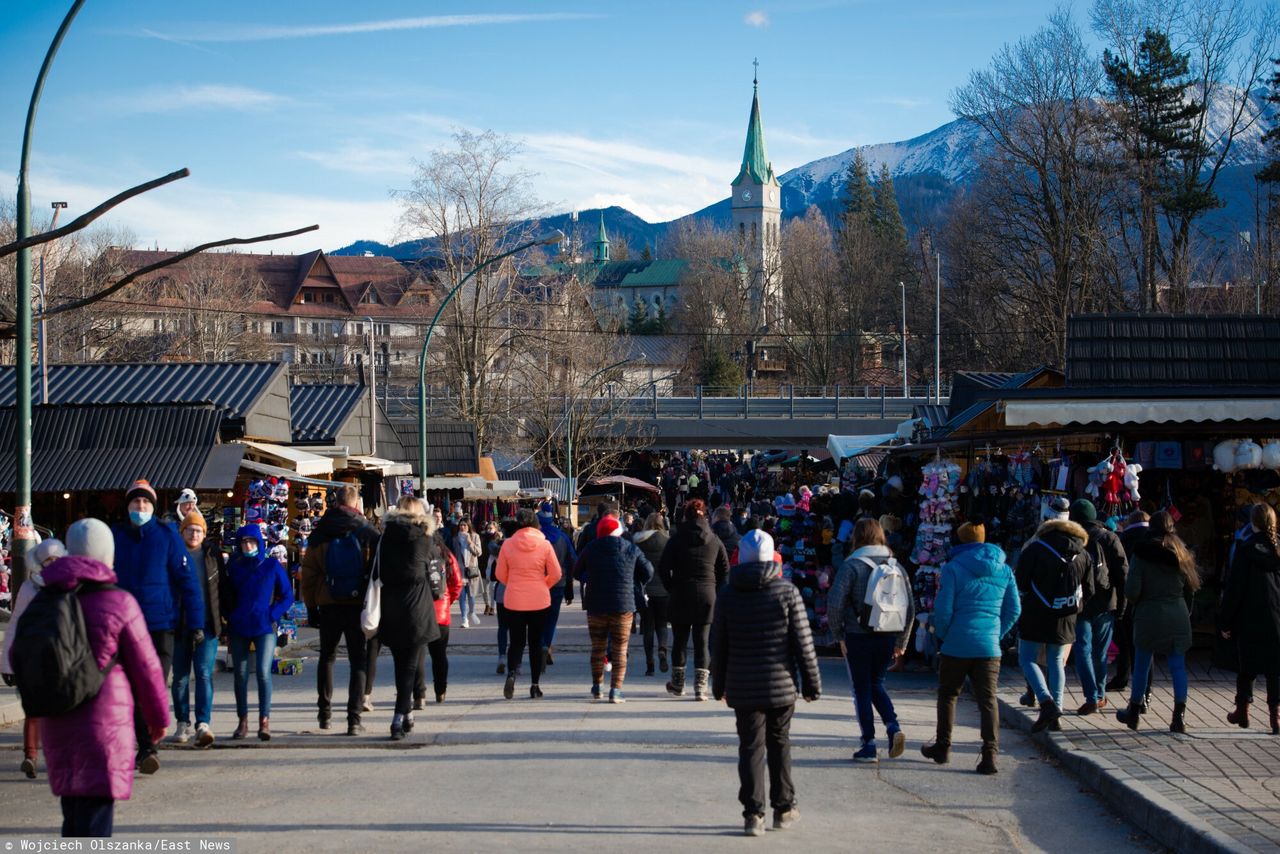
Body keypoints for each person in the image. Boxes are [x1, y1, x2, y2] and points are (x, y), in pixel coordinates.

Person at [38, 519, 169, 837]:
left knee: (71, 814)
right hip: (106, 725)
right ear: (109, 555)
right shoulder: (119, 603)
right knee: (96, 819)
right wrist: (158, 719)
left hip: (58, 720)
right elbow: (147, 669)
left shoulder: (46, 599)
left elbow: (22, 653)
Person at [710, 530, 821, 837]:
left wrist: (718, 685)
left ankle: (753, 814)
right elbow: (803, 643)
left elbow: (718, 645)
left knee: (750, 747)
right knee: (779, 743)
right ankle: (783, 808)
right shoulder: (787, 592)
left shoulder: (728, 595)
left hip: (742, 685)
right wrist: (811, 684)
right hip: (781, 686)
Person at [111, 478, 203, 774]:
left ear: (152, 506)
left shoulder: (167, 536)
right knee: (132, 691)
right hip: (125, 627)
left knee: (153, 687)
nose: (140, 507)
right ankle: (147, 748)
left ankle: (149, 740)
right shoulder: (115, 537)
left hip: (160, 625)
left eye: (145, 502)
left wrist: (197, 622)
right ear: (127, 506)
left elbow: (188, 581)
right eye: (135, 502)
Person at [922, 520, 1020, 774]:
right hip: (989, 647)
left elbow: (943, 609)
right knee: (987, 700)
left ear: (961, 540)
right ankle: (990, 754)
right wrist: (996, 634)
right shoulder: (1004, 569)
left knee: (948, 694)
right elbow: (1014, 610)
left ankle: (943, 747)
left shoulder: (953, 568)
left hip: (956, 643)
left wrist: (944, 635)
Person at [827, 518, 915, 763]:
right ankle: (893, 726)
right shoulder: (896, 566)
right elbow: (910, 606)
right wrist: (902, 641)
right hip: (887, 634)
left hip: (858, 635)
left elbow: (835, 603)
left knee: (862, 689)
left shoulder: (852, 565)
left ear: (856, 537)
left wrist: (838, 635)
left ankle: (869, 743)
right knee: (876, 683)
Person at [301, 484, 378, 735]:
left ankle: (324, 714)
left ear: (335, 503)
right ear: (356, 503)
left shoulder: (322, 530)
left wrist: (311, 607)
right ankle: (354, 719)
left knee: (327, 658)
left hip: (328, 602)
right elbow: (377, 572)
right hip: (357, 605)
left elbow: (309, 574)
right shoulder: (367, 531)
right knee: (358, 660)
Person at [1116, 511, 1199, 732]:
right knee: (1177, 666)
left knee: (1142, 664)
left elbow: (1132, 591)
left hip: (1149, 614)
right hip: (1177, 613)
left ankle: (1134, 711)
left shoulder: (1141, 554)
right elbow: (1191, 590)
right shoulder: (1182, 553)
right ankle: (1179, 716)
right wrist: (1185, 611)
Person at [1015, 508, 1094, 732]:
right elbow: (1090, 589)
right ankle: (1056, 712)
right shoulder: (1083, 554)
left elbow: (1021, 582)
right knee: (1057, 662)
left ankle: (1046, 701)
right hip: (1066, 615)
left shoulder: (1035, 549)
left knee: (1027, 659)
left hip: (1036, 614)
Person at [376, 497, 443, 740]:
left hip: (391, 605)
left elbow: (381, 570)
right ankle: (398, 716)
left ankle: (407, 714)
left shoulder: (386, 537)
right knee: (411, 665)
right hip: (417, 605)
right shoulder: (424, 538)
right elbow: (431, 569)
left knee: (400, 664)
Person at [1, 537, 67, 779]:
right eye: (47, 560)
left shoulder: (70, 586)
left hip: (62, 658)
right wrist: (7, 664)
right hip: (34, 658)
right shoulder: (29, 588)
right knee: (34, 709)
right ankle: (30, 755)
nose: (52, 564)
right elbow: (15, 624)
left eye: (56, 559)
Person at [225, 524, 293, 740]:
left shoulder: (271, 565)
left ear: (259, 543)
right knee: (240, 674)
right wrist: (230, 616)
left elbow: (287, 595)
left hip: (264, 626)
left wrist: (273, 614)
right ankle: (242, 720)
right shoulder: (234, 567)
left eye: (251, 541)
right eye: (244, 542)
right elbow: (225, 595)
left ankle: (264, 720)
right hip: (239, 627)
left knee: (263, 672)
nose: (248, 546)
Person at [576, 515, 655, 702]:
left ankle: (597, 687)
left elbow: (577, 572)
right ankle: (615, 690)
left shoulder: (590, 548)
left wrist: (592, 577)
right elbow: (648, 571)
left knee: (598, 647)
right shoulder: (630, 548)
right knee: (620, 648)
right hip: (623, 605)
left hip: (596, 604)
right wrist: (634, 581)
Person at [1219, 503, 1280, 734]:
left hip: (1249, 616)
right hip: (1276, 615)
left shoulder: (1245, 548)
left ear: (1252, 522)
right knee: (1275, 668)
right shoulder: (1278, 548)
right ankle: (1275, 716)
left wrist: (1226, 620)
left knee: (1247, 665)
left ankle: (1243, 709)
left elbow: (1235, 588)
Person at [660, 499, 729, 700]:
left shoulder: (676, 539)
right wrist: (715, 588)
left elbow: (663, 568)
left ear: (685, 516)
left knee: (680, 641)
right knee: (702, 641)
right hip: (707, 594)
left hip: (681, 592)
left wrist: (671, 587)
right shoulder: (714, 540)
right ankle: (700, 687)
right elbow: (725, 570)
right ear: (705, 515)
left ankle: (678, 684)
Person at [171, 510, 227, 749]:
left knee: (204, 673)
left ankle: (203, 723)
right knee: (180, 677)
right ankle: (182, 721)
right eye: (189, 530)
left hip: (208, 623)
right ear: (182, 532)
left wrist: (224, 621)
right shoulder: (173, 554)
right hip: (179, 624)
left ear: (204, 534)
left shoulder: (212, 555)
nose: (194, 534)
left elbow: (222, 588)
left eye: (198, 530)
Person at [495, 508, 562, 699]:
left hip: (514, 599)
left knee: (516, 642)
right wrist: (543, 584)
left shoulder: (508, 544)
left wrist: (513, 583)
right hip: (539, 599)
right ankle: (534, 685)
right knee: (535, 643)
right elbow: (556, 573)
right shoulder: (545, 544)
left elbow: (499, 574)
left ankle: (511, 673)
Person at [1069, 499, 1125, 715]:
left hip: (1080, 603)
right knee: (1100, 653)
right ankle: (1100, 695)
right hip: (1106, 602)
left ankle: (1092, 696)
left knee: (1082, 649)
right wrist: (1121, 605)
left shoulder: (1072, 539)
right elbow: (1123, 573)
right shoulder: (1109, 537)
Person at [1109, 510, 1152, 696]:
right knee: (1144, 647)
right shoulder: (1157, 541)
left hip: (1126, 597)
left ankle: (1125, 678)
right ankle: (1145, 691)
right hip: (1150, 600)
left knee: (1126, 641)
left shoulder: (1123, 541)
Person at [423, 534, 463, 703]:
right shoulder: (446, 555)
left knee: (416, 655)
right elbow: (457, 583)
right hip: (441, 611)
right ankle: (440, 691)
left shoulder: (418, 552)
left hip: (419, 610)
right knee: (439, 655)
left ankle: (419, 694)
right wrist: (447, 600)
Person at [633, 512, 672, 675]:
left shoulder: (639, 541)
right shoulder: (667, 541)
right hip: (663, 589)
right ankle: (662, 648)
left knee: (648, 626)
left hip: (645, 590)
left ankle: (650, 663)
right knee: (662, 624)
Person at [539, 503, 577, 665]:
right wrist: (570, 584)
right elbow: (572, 560)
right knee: (552, 618)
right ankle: (547, 645)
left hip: (538, 583)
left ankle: (541, 644)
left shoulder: (537, 537)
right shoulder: (563, 537)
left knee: (538, 618)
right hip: (558, 582)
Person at [453, 520, 483, 628]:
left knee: (471, 596)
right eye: (461, 525)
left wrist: (470, 542)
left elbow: (479, 552)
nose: (462, 527)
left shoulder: (475, 536)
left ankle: (472, 612)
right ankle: (464, 619)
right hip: (460, 571)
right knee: (462, 596)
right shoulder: (455, 539)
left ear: (469, 526)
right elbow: (454, 554)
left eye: (464, 525)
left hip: (471, 570)